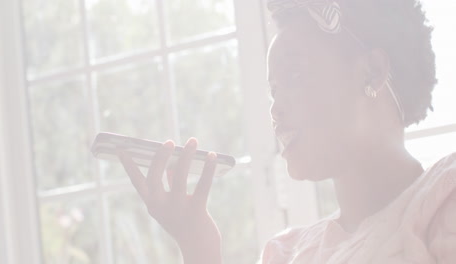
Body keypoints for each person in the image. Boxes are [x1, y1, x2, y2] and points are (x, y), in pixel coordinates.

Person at [118, 0, 456, 263]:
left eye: (294, 75)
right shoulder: (285, 253)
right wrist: (199, 247)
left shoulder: (444, 199)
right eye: (273, 90)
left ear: (372, 72)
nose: (275, 109)